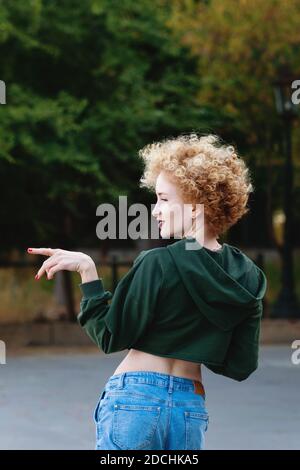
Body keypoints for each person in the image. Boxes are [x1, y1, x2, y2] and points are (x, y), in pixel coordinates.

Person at [28, 133, 267, 450]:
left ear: (196, 208)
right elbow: (240, 366)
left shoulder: (158, 263)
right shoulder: (250, 278)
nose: (155, 210)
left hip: (135, 397)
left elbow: (110, 336)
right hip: (189, 406)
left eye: (164, 199)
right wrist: (199, 339)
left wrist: (88, 272)